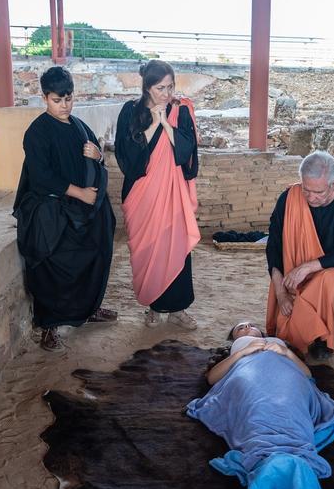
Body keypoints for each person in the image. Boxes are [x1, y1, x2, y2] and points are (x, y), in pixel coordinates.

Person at [186, 321, 334, 489]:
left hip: (286, 374)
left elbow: (306, 374)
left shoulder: (279, 345)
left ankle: (288, 458)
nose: (246, 327)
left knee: (288, 401)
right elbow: (212, 378)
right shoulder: (238, 351)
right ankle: (274, 461)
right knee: (256, 403)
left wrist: (285, 352)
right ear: (235, 339)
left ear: (261, 331)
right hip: (248, 372)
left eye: (250, 325)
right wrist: (241, 353)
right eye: (240, 328)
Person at [13, 66, 117, 352]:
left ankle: (87, 309)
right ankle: (50, 326)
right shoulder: (37, 132)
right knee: (52, 263)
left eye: (68, 99)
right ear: (45, 97)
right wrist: (79, 193)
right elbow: (41, 176)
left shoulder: (80, 126)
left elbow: (98, 162)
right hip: (50, 206)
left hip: (83, 207)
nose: (64, 106)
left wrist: (97, 157)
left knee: (99, 244)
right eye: (57, 100)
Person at [115, 59, 201, 329]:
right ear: (147, 87)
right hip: (142, 194)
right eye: (160, 88)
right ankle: (154, 307)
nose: (167, 93)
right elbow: (127, 157)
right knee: (149, 248)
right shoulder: (130, 111)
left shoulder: (181, 111)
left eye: (171, 86)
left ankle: (178, 309)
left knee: (175, 246)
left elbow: (188, 152)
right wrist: (153, 123)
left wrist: (166, 124)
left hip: (172, 193)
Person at [265, 151, 334, 361]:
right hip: (290, 279)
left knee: (331, 279)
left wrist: (308, 267)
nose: (310, 197)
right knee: (287, 324)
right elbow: (273, 248)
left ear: (333, 183)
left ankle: (322, 340)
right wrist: (281, 293)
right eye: (306, 190)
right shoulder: (289, 198)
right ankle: (298, 333)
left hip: (330, 276)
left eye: (318, 192)